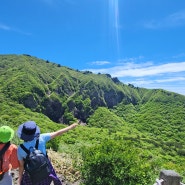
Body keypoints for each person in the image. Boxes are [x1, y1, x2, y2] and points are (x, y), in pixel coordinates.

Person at [17, 120, 78, 185]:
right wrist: (71, 127)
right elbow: (57, 133)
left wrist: (20, 179)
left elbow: (21, 166)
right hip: (45, 170)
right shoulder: (42, 138)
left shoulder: (20, 149)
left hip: (32, 174)